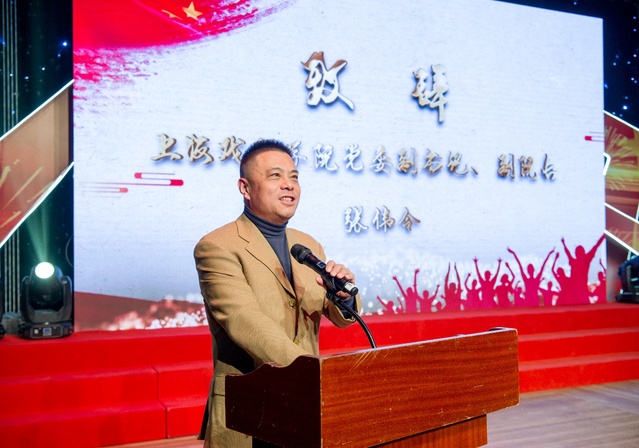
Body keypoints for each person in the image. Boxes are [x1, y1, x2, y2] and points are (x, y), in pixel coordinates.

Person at [194, 139, 361, 447]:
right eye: (275, 176)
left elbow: (341, 317)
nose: (289, 185)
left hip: (303, 407)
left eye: (294, 176)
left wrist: (344, 297)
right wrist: (315, 373)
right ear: (245, 188)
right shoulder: (217, 246)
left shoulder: (307, 245)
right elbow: (244, 319)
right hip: (248, 409)